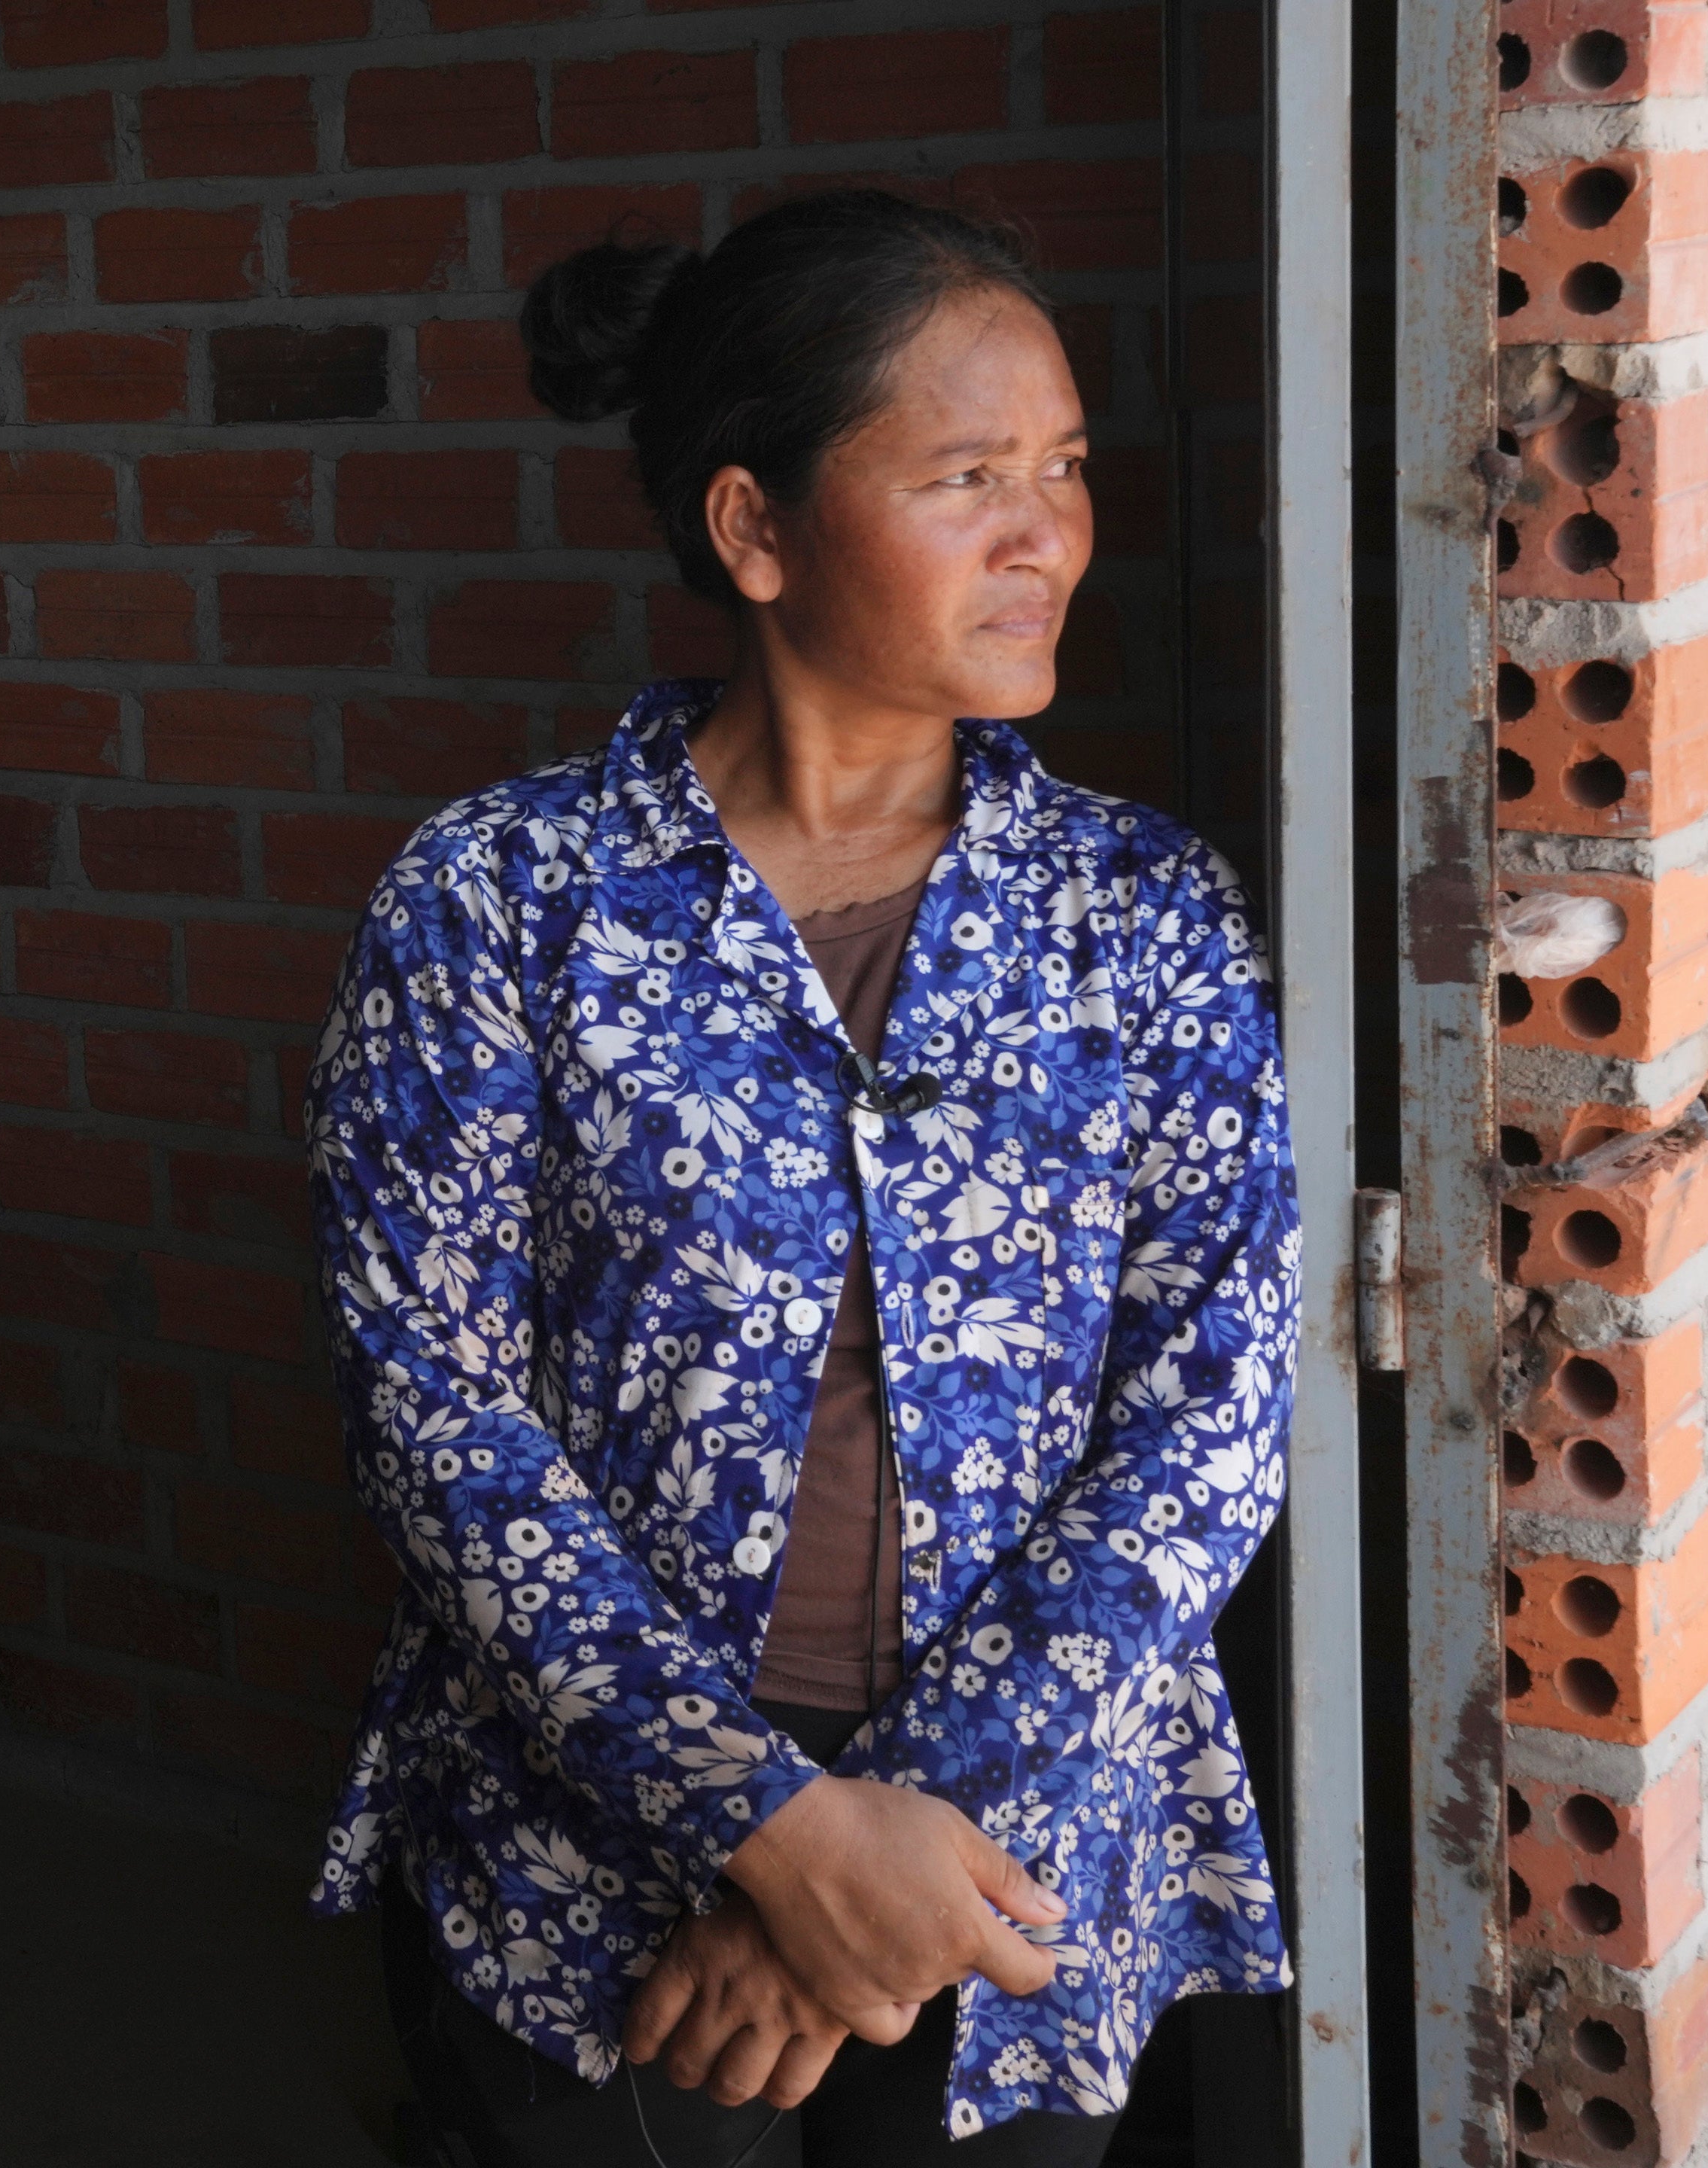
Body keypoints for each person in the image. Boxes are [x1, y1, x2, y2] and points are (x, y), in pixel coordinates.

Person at [301, 189, 1300, 2167]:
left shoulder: (1147, 915)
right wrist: (770, 1829)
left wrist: (879, 1871)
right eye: (967, 478)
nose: (1051, 538)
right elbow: (432, 1406)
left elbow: (1223, 1400)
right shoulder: (501, 900)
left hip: (1014, 1854)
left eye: (1068, 471)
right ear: (756, 529)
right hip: (585, 1861)